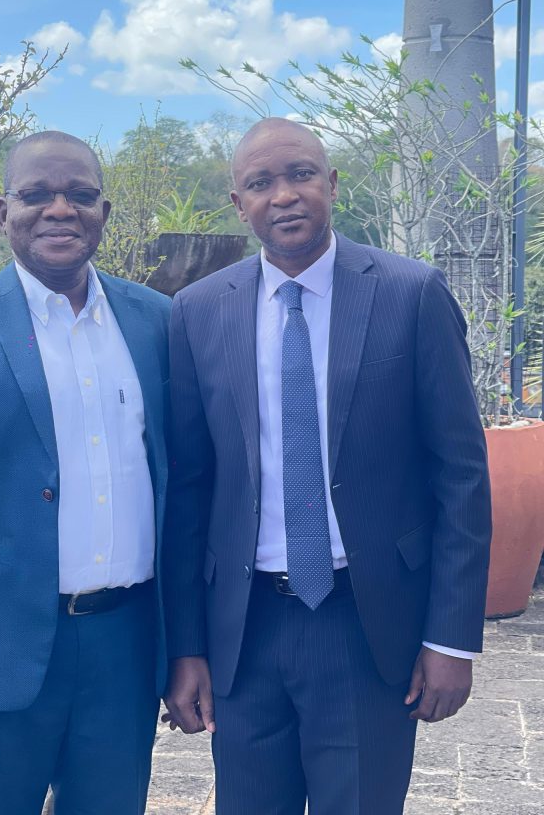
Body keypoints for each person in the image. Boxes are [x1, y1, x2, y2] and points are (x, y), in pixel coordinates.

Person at [163, 118, 491, 815]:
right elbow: (189, 489)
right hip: (244, 629)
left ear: (333, 184)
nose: (284, 195)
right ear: (238, 203)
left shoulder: (411, 293)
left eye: (302, 174)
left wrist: (451, 637)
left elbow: (461, 475)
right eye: (261, 183)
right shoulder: (197, 312)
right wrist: (186, 646)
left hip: (366, 624)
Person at [0, 130, 171, 815]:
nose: (60, 210)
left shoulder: (156, 322)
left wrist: (186, 648)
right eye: (37, 194)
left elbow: (180, 487)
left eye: (80, 195)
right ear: (3, 212)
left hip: (125, 648)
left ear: (104, 211)